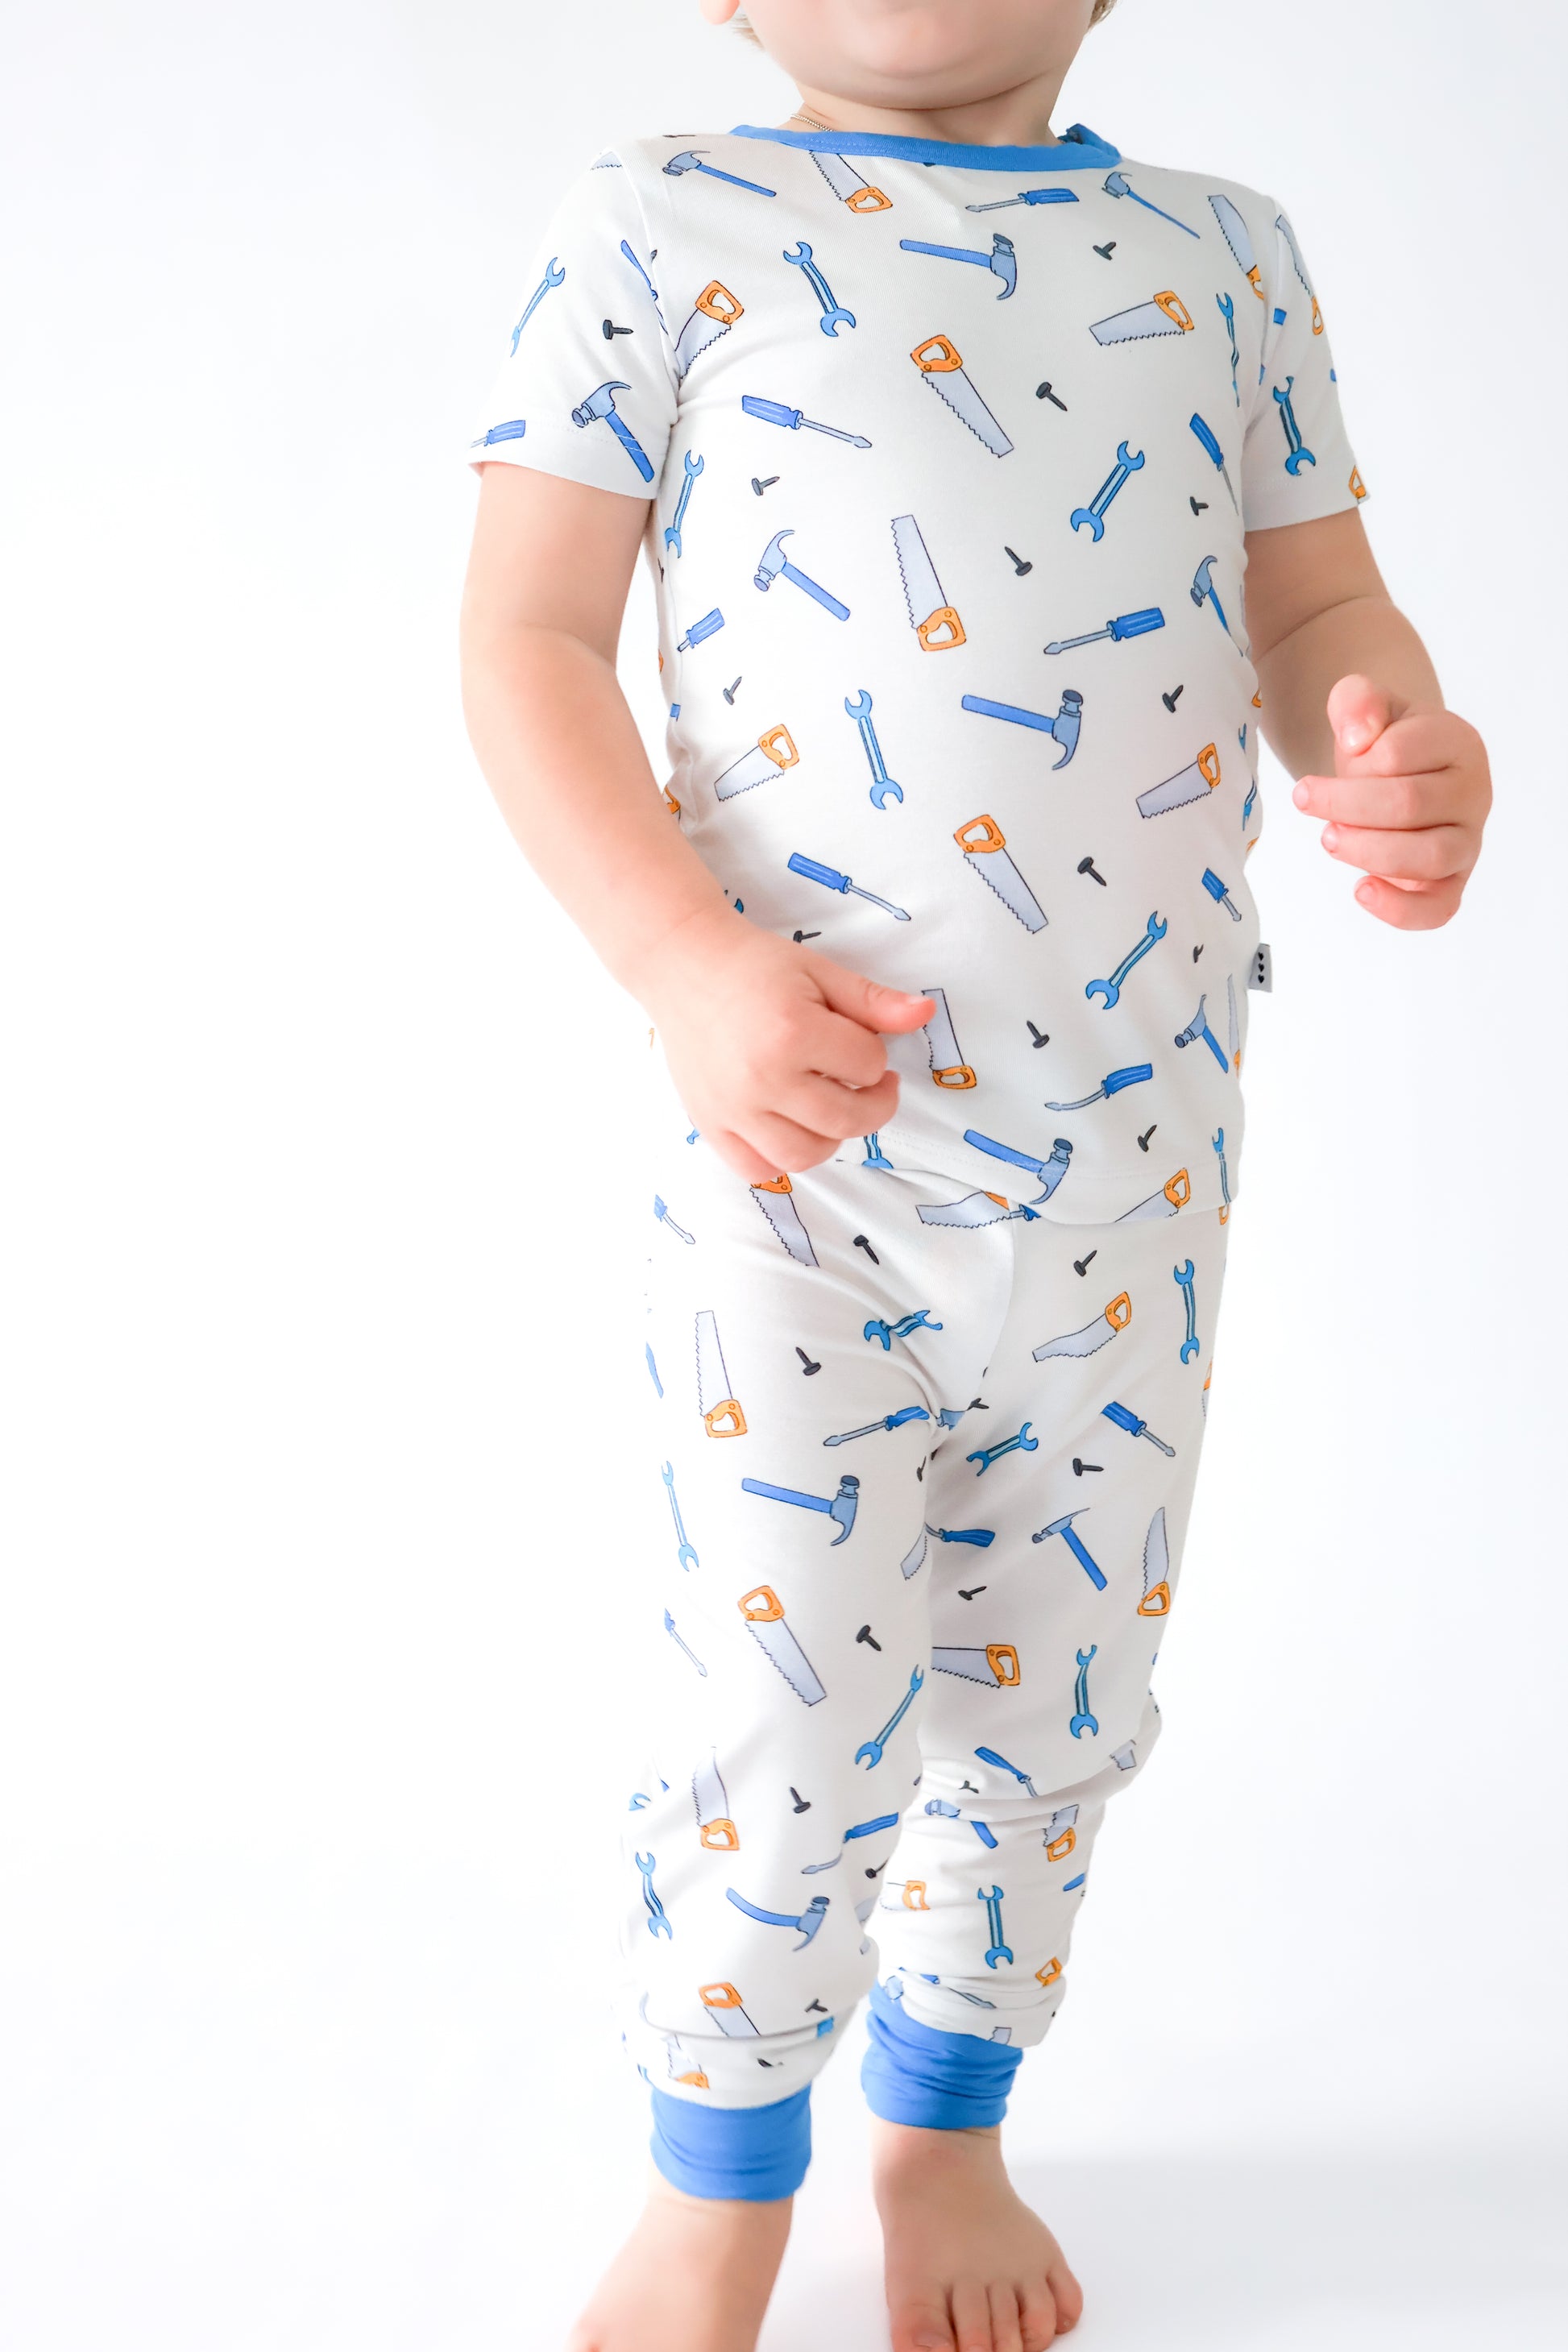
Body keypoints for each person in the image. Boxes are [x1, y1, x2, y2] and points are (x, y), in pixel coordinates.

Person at [456, 4, 1491, 2346]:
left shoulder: (1222, 254)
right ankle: (717, 2173)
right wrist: (674, 957)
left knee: (1056, 1691)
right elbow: (525, 635)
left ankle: (944, 2129)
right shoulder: (664, 223)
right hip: (796, 1151)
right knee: (783, 1688)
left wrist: (1398, 744)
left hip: (1133, 1155)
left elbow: (1310, 605)